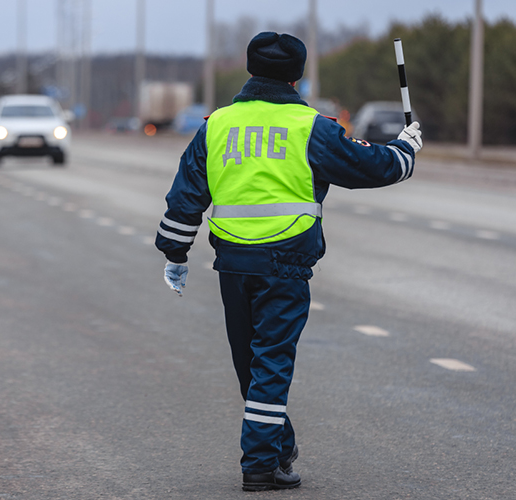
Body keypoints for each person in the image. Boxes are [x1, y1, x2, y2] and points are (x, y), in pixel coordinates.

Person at [155, 31, 422, 491]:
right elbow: (368, 168)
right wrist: (406, 149)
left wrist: (175, 252)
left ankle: (276, 447)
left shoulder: (216, 124)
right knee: (271, 365)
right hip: (285, 263)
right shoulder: (311, 127)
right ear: (296, 75)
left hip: (233, 262)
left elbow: (187, 195)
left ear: (250, 67)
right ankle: (260, 465)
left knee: (252, 367)